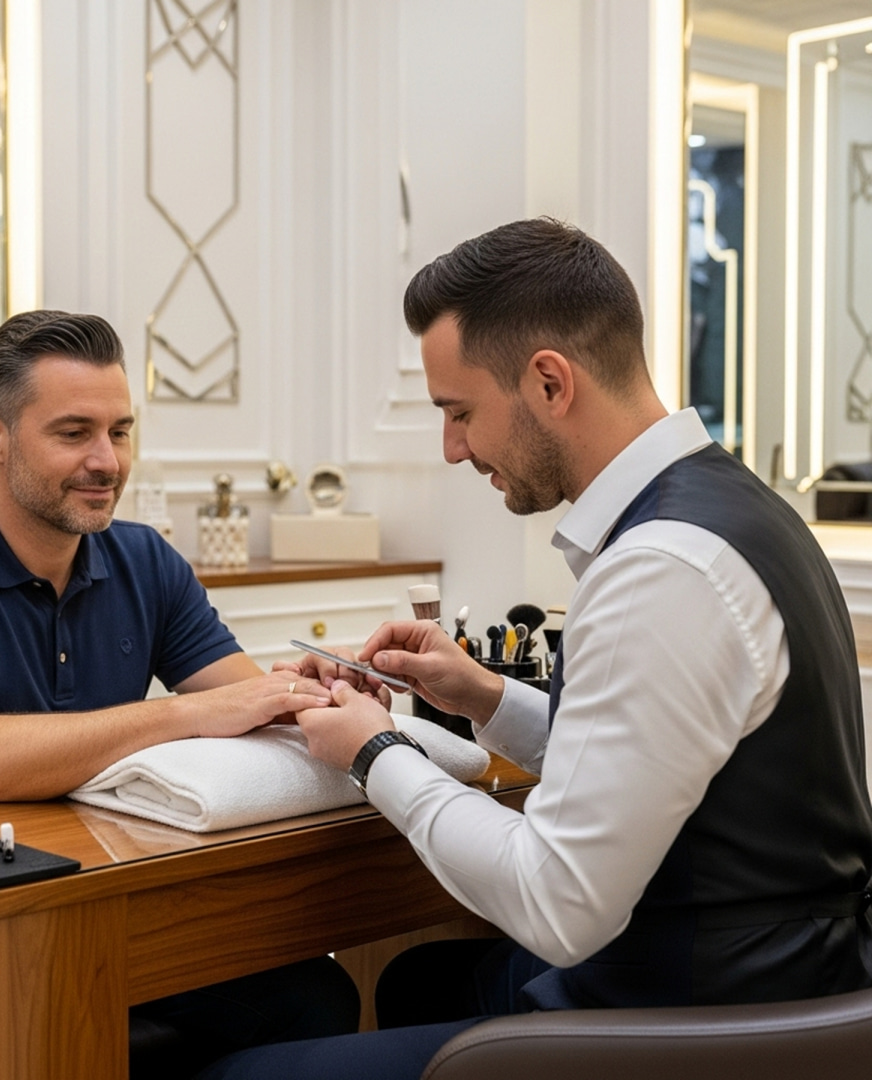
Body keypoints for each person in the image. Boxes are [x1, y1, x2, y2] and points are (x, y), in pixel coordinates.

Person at [196, 217, 872, 1080]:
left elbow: (558, 904)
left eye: (460, 412)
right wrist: (483, 695)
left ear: (550, 382)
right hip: (768, 968)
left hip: (702, 1018)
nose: (451, 448)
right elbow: (648, 759)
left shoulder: (660, 568)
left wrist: (375, 752)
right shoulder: (729, 510)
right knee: (418, 981)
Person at [0, 309, 360, 1078]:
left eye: (120, 431)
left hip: (113, 901)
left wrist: (323, 693)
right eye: (74, 432)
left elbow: (256, 702)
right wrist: (187, 713)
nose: (107, 461)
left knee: (314, 997)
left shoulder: (143, 559)